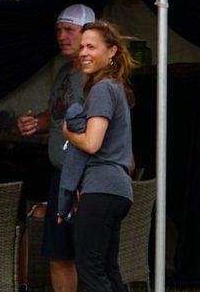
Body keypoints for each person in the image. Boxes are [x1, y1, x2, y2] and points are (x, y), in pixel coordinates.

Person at [17, 3, 95, 292]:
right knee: (59, 254)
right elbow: (56, 114)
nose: (62, 36)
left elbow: (103, 129)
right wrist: (34, 123)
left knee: (87, 256)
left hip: (85, 177)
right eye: (59, 30)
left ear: (87, 33)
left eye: (69, 30)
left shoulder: (95, 76)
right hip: (60, 176)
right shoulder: (64, 71)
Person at [62, 20, 135, 292]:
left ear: (112, 51)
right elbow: (131, 160)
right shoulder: (117, 89)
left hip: (102, 189)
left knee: (91, 272)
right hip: (118, 190)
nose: (83, 53)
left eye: (91, 47)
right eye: (82, 47)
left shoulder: (103, 89)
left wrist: (68, 132)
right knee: (107, 269)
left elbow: (92, 143)